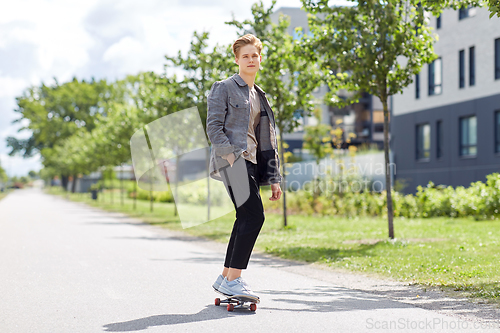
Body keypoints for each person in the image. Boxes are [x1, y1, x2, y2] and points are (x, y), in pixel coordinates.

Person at [206, 34, 282, 298]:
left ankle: (226, 275)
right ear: (237, 60)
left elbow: (267, 140)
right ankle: (234, 279)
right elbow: (213, 127)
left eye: (254, 55)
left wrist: (274, 176)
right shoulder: (224, 87)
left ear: (260, 59)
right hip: (234, 161)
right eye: (245, 56)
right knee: (254, 216)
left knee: (244, 217)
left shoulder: (260, 96)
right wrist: (230, 158)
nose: (251, 59)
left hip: (252, 162)